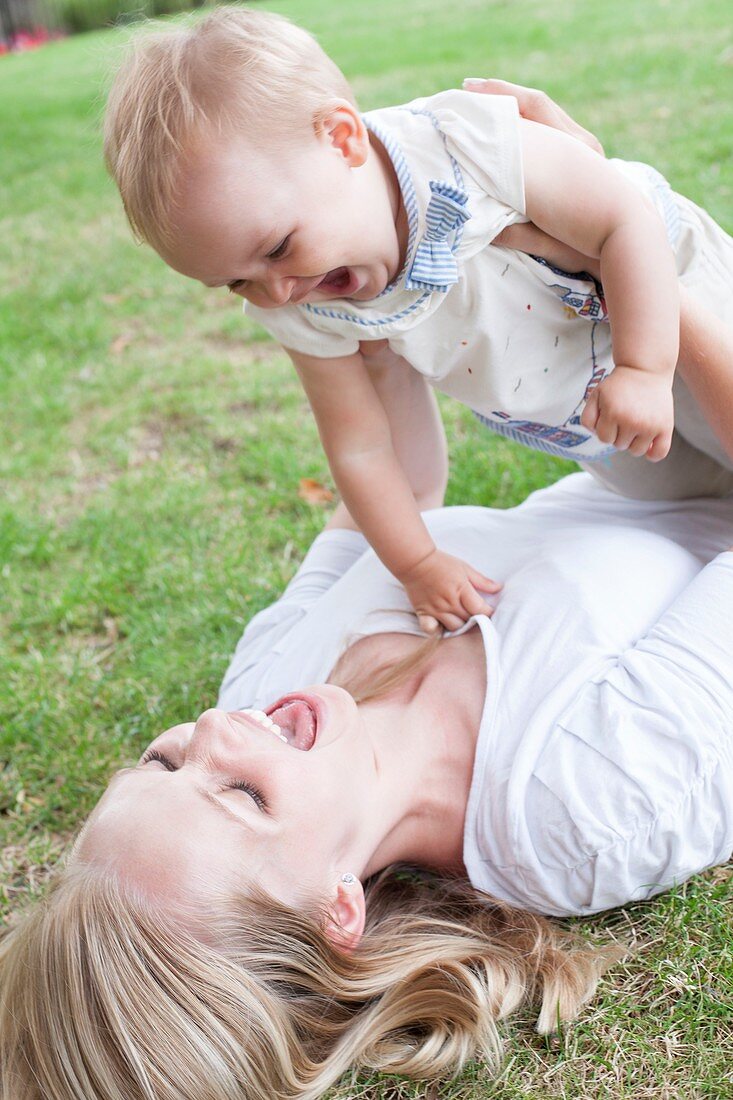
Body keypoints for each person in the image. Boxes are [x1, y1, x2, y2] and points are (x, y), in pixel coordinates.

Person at [2, 468, 733, 1100]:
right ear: (338, 908)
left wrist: (338, 336)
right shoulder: (588, 805)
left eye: (161, 761)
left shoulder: (267, 682)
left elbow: (395, 491)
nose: (216, 724)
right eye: (242, 797)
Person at [103, 6, 733, 633]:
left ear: (342, 139)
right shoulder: (306, 302)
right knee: (686, 497)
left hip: (661, 298)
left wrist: (646, 368)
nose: (278, 290)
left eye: (276, 249)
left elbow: (623, 221)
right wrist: (418, 562)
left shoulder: (464, 145)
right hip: (579, 404)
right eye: (236, 281)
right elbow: (360, 445)